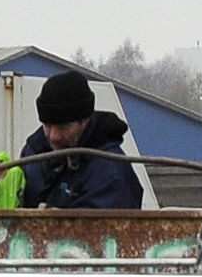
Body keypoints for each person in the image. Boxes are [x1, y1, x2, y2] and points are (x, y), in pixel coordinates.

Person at [17, 71, 143, 210]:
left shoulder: (110, 171)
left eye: (63, 127)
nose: (53, 136)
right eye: (47, 125)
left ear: (85, 120)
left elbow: (107, 227)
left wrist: (56, 221)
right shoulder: (34, 152)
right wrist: (3, 183)